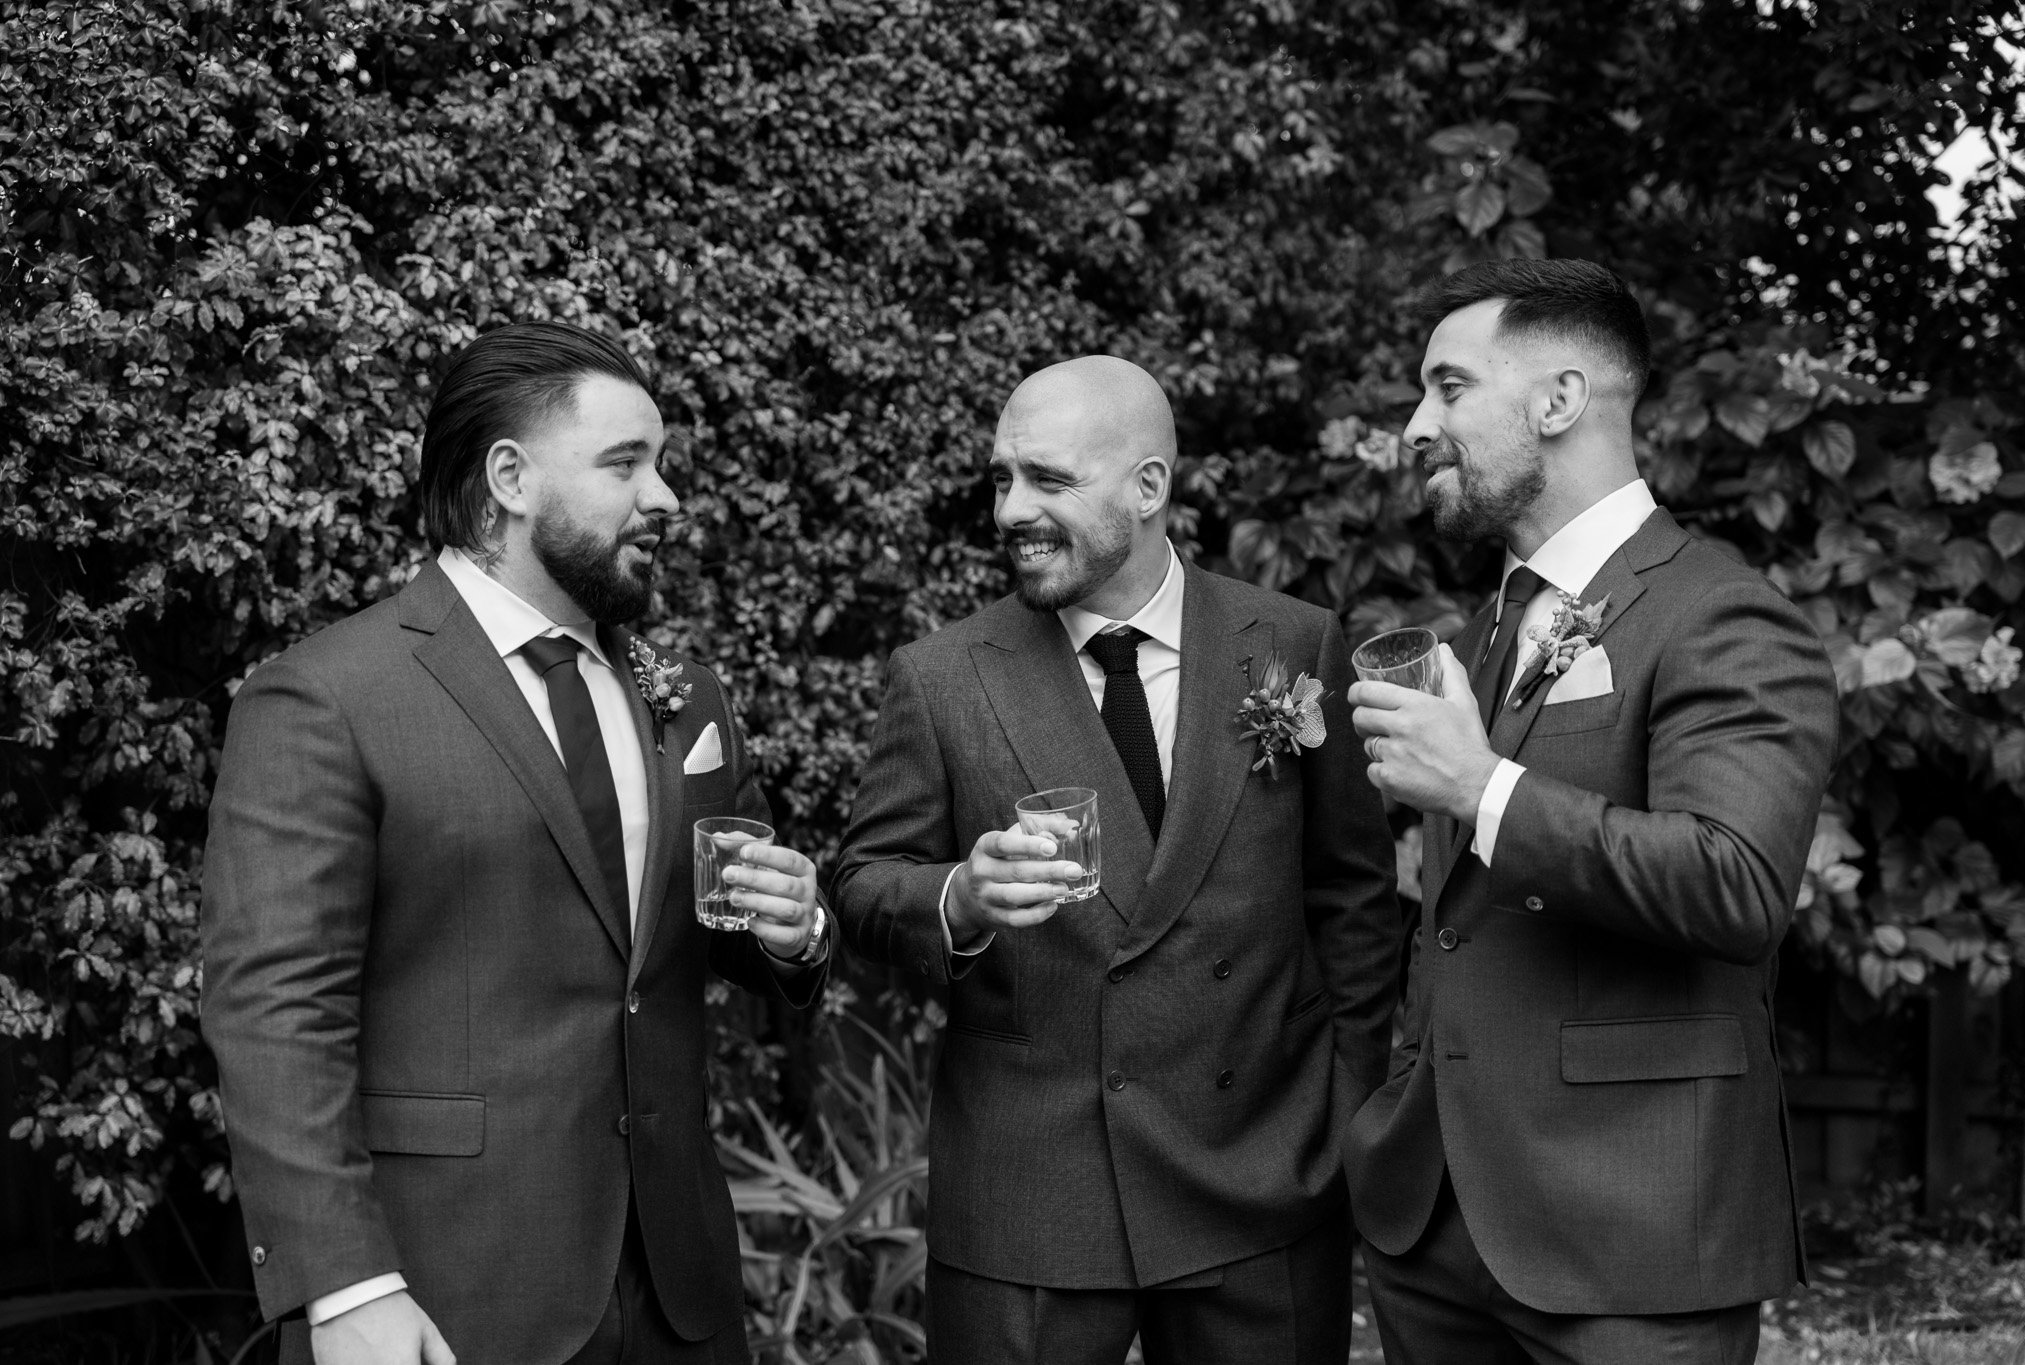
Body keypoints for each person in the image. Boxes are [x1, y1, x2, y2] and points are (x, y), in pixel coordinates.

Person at [201, 321, 833, 1365]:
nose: (665, 496)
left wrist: (793, 927)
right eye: (626, 463)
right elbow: (274, 1011)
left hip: (681, 1294)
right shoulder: (326, 698)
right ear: (509, 478)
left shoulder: (683, 694)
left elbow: (714, 932)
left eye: (660, 464)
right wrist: (345, 1285)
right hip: (446, 1295)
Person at [832, 355, 1403, 1365]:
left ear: (1147, 488)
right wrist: (961, 894)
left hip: (1262, 1174)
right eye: (1001, 479)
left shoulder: (1294, 640)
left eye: (1045, 480)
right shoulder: (939, 677)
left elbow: (1351, 896)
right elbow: (865, 887)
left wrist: (1339, 1107)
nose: (1010, 508)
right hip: (1031, 1191)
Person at [1344, 260, 1838, 1364]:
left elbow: (1733, 885)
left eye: (1448, 388)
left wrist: (1478, 787)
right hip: (1434, 1221)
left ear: (1559, 401)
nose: (1416, 425)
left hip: (1630, 1236)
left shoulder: (1725, 617)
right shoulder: (1487, 625)